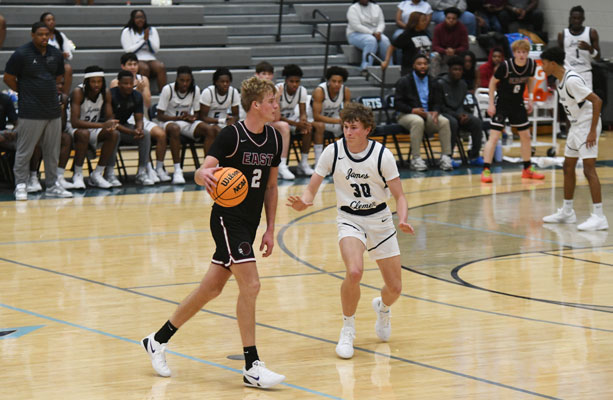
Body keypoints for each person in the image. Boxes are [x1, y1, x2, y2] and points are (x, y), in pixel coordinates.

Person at [142, 76, 286, 388]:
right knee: (251, 285)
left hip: (250, 223)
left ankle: (157, 339)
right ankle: (252, 366)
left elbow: (271, 187)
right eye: (272, 101)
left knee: (211, 289)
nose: (277, 105)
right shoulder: (232, 135)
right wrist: (202, 175)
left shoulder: (275, 139)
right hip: (226, 219)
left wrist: (271, 228)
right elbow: (202, 172)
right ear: (255, 105)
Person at [287, 102, 414, 359]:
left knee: (395, 288)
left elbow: (400, 196)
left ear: (367, 129)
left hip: (380, 220)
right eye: (346, 127)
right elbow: (312, 187)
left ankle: (383, 308)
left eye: (354, 127)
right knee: (354, 272)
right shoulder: (333, 152)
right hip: (349, 219)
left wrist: (402, 219)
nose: (348, 132)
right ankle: (348, 329)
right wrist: (305, 201)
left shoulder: (382, 155)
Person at [4, 22, 73, 200]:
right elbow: (8, 78)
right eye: (40, 34)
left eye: (46, 34)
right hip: (30, 110)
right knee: (25, 150)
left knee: (52, 151)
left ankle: (52, 185)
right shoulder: (21, 53)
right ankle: (21, 185)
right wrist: (25, 91)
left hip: (52, 110)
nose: (44, 37)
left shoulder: (55, 54)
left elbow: (59, 77)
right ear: (32, 35)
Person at [541, 47, 607, 231]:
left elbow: (597, 101)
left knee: (588, 169)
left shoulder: (571, 80)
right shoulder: (559, 80)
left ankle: (599, 217)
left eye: (544, 63)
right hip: (576, 126)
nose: (542, 67)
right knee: (568, 166)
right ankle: (567, 211)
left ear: (552, 64)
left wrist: (592, 131)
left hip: (587, 125)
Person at [480, 39, 544, 183]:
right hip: (502, 104)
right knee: (494, 137)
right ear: (514, 53)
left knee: (526, 136)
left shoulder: (531, 65)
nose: (521, 55)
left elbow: (531, 79)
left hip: (517, 103)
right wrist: (491, 104)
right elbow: (492, 83)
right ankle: (486, 169)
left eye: (524, 52)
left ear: (528, 53)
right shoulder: (506, 66)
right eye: (519, 52)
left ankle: (527, 168)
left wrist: (530, 98)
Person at [111, 52, 170, 183]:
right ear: (123, 66)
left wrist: (141, 91)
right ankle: (148, 168)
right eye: (129, 64)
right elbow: (121, 103)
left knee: (160, 134)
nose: (133, 67)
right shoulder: (116, 82)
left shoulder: (144, 79)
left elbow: (147, 104)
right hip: (125, 118)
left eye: (135, 64)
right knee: (141, 134)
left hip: (140, 116)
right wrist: (135, 90)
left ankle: (158, 168)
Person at [394, 54, 453, 171]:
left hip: (427, 115)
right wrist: (412, 110)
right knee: (417, 121)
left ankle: (446, 157)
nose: (423, 66)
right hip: (406, 115)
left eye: (425, 64)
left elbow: (438, 101)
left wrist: (436, 111)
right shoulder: (404, 81)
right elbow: (397, 103)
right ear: (413, 66)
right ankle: (416, 158)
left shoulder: (433, 81)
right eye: (419, 64)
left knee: (444, 121)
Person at [65, 66, 119, 189]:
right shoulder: (78, 92)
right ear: (87, 82)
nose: (96, 84)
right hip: (73, 128)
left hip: (92, 127)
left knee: (114, 134)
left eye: (99, 81)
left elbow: (109, 116)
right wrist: (102, 125)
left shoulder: (105, 93)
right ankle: (78, 174)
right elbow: (75, 122)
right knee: (84, 134)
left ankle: (97, 173)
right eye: (93, 81)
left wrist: (111, 123)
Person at [157, 66, 210, 184]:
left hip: (185, 123)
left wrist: (192, 117)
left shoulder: (195, 90)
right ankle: (177, 170)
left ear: (191, 80)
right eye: (182, 80)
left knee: (208, 129)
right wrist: (177, 118)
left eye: (188, 80)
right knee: (175, 129)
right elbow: (160, 115)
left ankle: (207, 168)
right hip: (168, 122)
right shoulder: (168, 89)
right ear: (177, 79)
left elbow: (197, 113)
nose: (185, 83)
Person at [276, 64, 324, 176]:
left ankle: (303, 163)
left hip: (292, 120)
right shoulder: (278, 89)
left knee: (307, 129)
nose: (294, 84)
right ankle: (281, 165)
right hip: (277, 121)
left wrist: (303, 122)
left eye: (297, 81)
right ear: (286, 81)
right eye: (291, 81)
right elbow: (276, 116)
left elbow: (303, 112)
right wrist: (296, 124)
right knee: (285, 126)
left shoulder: (302, 90)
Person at [110, 70, 153, 186]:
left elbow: (139, 118)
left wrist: (139, 129)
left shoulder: (137, 96)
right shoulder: (111, 95)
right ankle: (109, 173)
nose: (129, 86)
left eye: (131, 83)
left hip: (124, 126)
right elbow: (111, 123)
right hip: (109, 128)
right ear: (119, 84)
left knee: (145, 134)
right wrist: (132, 131)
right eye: (125, 83)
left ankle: (142, 173)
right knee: (114, 134)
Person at [253, 61, 295, 180]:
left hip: (265, 123)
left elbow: (276, 118)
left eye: (269, 74)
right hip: (250, 123)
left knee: (283, 126)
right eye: (263, 73)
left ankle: (282, 165)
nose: (267, 76)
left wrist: (276, 99)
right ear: (257, 75)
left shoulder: (273, 90)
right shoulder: (252, 89)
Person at [439, 56, 483, 166]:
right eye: (455, 69)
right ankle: (448, 156)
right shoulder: (440, 84)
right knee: (452, 123)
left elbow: (461, 104)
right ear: (449, 70)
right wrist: (457, 115)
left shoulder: (463, 84)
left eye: (459, 70)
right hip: (444, 114)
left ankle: (474, 155)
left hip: (458, 114)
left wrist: (463, 114)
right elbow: (440, 106)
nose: (457, 72)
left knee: (476, 122)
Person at [312, 66, 351, 164]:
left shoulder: (345, 91)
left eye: (339, 82)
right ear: (328, 81)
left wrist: (344, 119)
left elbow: (346, 112)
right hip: (313, 119)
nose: (337, 84)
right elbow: (316, 116)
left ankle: (347, 158)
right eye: (334, 81)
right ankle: (318, 162)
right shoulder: (320, 91)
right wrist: (338, 121)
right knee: (320, 126)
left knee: (349, 125)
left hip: (332, 118)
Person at [121, 9, 167, 90]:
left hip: (150, 58)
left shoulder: (152, 30)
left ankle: (163, 93)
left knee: (161, 67)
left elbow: (156, 49)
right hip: (135, 58)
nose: (140, 20)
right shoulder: (127, 31)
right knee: (145, 68)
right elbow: (128, 50)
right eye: (137, 17)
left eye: (142, 17)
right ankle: (144, 93)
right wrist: (143, 40)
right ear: (132, 19)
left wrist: (148, 40)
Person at [199, 67, 240, 154]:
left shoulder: (233, 92)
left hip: (223, 123)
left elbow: (236, 115)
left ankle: (230, 159)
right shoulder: (208, 92)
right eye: (222, 81)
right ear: (216, 82)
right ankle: (211, 159)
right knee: (217, 131)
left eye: (227, 82)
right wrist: (221, 120)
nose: (225, 84)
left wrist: (233, 120)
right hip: (208, 124)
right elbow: (202, 117)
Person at [558, 6, 600, 90]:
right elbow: (559, 57)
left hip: (585, 73)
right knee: (568, 98)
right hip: (568, 73)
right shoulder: (562, 34)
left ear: (583, 19)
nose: (576, 21)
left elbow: (598, 58)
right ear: (570, 19)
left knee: (587, 98)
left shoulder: (591, 33)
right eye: (574, 18)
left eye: (579, 18)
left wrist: (589, 48)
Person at [346, 0, 391, 75]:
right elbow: (356, 26)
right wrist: (372, 33)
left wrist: (379, 32)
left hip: (376, 33)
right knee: (371, 40)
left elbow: (381, 23)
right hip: (356, 34)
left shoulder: (376, 7)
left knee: (385, 40)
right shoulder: (353, 8)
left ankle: (390, 67)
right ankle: (365, 68)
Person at [381, 11, 431, 76]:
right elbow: (392, 46)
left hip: (424, 68)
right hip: (409, 69)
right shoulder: (407, 35)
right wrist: (386, 61)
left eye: (425, 20)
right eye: (423, 21)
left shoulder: (425, 33)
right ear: (415, 22)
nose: (425, 22)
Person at [40, 12, 73, 96]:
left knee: (67, 68)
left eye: (53, 20)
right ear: (42, 23)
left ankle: (65, 97)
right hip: (44, 64)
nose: (51, 22)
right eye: (48, 20)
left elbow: (70, 55)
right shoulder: (40, 36)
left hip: (58, 65)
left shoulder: (60, 35)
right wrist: (58, 55)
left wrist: (65, 55)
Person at [431, 7, 469, 77]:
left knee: (466, 56)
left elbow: (465, 46)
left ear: (457, 19)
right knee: (433, 55)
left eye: (453, 19)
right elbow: (435, 46)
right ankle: (434, 79)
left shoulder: (462, 28)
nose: (451, 20)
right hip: (442, 54)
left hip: (456, 54)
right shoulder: (438, 28)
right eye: (448, 18)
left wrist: (454, 50)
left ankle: (461, 78)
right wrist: (445, 51)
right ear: (445, 18)